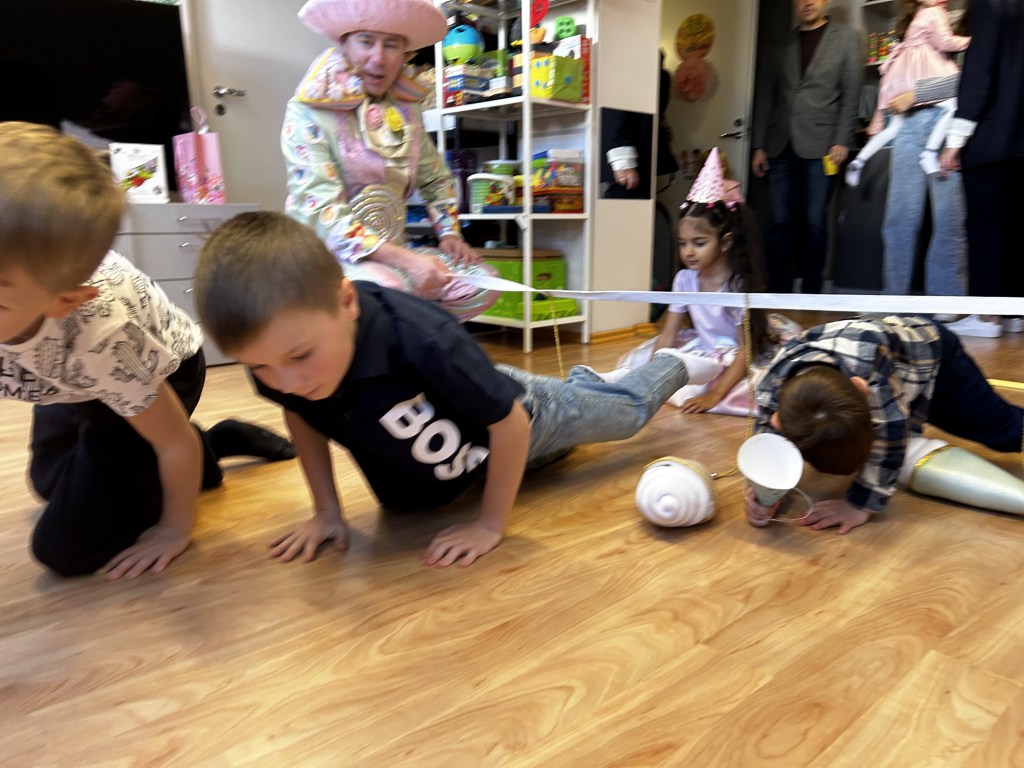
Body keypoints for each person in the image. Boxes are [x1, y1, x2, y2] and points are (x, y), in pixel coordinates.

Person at [192, 211, 719, 569]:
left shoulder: (421, 337)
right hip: (476, 454)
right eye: (259, 367)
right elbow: (301, 416)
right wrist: (327, 510)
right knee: (540, 459)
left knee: (625, 416)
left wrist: (490, 525)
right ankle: (586, 385)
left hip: (523, 417)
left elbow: (510, 424)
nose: (288, 382)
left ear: (347, 303)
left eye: (300, 357)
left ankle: (672, 364)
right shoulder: (281, 357)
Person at [0, 122, 295, 579]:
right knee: (49, 482)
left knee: (65, 551)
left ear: (62, 301)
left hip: (157, 370)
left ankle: (209, 446)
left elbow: (171, 443)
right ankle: (170, 455)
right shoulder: (26, 300)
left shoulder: (104, 340)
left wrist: (174, 530)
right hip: (67, 375)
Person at [282, 0, 497, 322]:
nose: (379, 58)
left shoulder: (407, 110)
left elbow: (435, 178)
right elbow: (322, 211)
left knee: (480, 283)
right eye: (366, 41)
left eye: (392, 45)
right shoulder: (307, 110)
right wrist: (409, 262)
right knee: (388, 289)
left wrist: (450, 234)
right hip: (323, 259)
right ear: (344, 43)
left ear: (405, 54)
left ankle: (422, 343)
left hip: (393, 253)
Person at [745, 315, 1023, 534]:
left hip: (935, 361)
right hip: (886, 362)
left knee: (1003, 431)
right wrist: (766, 492)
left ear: (861, 389)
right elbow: (766, 443)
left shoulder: (872, 375)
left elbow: (892, 435)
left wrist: (858, 505)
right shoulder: (770, 388)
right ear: (778, 420)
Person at [600, 149, 801, 415]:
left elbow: (745, 350)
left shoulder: (736, 286)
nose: (688, 252)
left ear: (725, 242)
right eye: (682, 243)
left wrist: (715, 395)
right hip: (705, 349)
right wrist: (647, 377)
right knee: (662, 366)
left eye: (699, 243)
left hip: (737, 357)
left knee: (749, 389)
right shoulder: (684, 279)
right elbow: (668, 335)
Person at [751, 0, 861, 294]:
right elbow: (766, 96)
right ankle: (779, 292)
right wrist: (759, 145)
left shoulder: (847, 39)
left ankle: (811, 294)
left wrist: (842, 139)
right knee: (780, 223)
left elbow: (851, 94)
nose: (807, 2)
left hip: (823, 146)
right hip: (779, 145)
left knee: (815, 224)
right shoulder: (779, 44)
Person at [937, 0, 1024, 339]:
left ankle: (988, 316)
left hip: (992, 137)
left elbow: (980, 70)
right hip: (1019, 139)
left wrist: (956, 138)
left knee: (985, 228)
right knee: (1015, 229)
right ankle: (1015, 313)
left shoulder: (991, 4)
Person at [844, 0, 970, 187]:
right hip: (921, 73)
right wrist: (970, 41)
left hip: (901, 75)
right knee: (951, 105)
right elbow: (945, 42)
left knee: (894, 127)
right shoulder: (935, 12)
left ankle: (859, 161)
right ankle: (930, 152)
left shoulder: (920, 14)